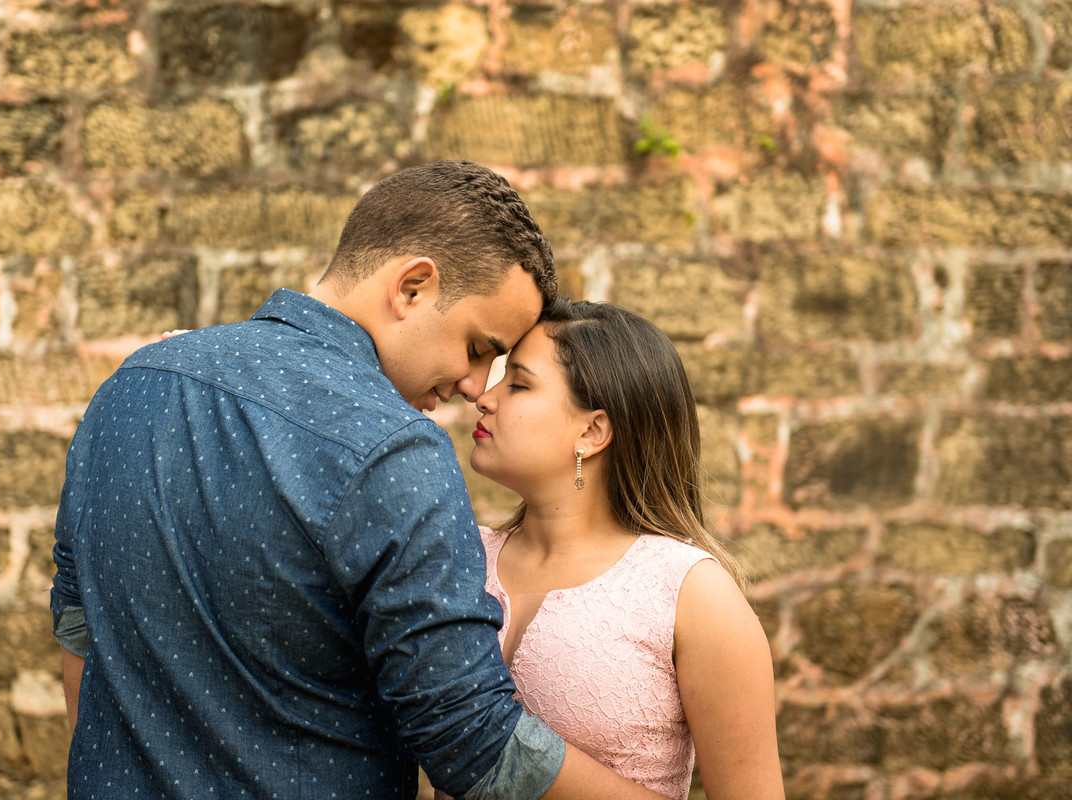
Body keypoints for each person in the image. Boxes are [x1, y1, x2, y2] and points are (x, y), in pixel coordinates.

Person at [50, 160, 664, 799]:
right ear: (413, 288)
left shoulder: (133, 383)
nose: (474, 386)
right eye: (479, 349)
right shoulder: (395, 449)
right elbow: (467, 736)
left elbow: (79, 628)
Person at [449, 298, 784, 799]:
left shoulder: (690, 594)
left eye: (518, 383)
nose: (485, 397)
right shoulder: (459, 555)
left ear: (592, 431)